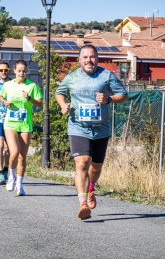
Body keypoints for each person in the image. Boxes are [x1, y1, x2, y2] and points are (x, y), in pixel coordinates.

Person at [55, 44, 128, 220]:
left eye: (92, 57)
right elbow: (59, 92)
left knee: (95, 168)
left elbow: (124, 95)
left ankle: (91, 187)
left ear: (97, 58)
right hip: (78, 127)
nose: (89, 60)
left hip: (100, 129)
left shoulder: (106, 76)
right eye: (85, 57)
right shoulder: (72, 77)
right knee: (82, 163)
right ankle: (82, 204)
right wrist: (63, 104)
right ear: (79, 60)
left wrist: (109, 99)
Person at [0, 60, 43, 196]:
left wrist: (29, 98)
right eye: (19, 70)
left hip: (25, 124)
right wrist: (4, 101)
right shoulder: (8, 85)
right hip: (10, 123)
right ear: (15, 71)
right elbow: (1, 96)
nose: (21, 73)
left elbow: (40, 104)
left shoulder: (32, 86)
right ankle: (11, 177)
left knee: (22, 157)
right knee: (14, 152)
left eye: (24, 70)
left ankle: (19, 184)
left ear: (27, 71)